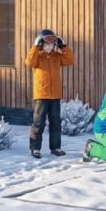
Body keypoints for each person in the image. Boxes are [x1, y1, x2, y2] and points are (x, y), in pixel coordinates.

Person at [24, 28, 74, 158]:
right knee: (38, 123)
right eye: (46, 44)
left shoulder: (57, 57)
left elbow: (69, 60)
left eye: (52, 44)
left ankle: (56, 147)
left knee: (56, 123)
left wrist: (64, 46)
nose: (49, 46)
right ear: (41, 44)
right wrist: (35, 46)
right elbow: (29, 62)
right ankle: (35, 148)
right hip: (41, 95)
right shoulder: (37, 56)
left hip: (55, 96)